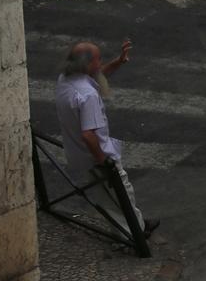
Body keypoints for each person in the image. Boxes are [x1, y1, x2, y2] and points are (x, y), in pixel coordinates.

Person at [54, 40, 158, 237]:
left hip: (78, 153)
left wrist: (118, 62)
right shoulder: (87, 95)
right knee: (120, 194)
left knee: (113, 196)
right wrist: (103, 162)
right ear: (86, 64)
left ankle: (137, 226)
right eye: (97, 59)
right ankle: (134, 236)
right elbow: (88, 134)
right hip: (96, 157)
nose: (100, 62)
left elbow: (97, 74)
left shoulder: (66, 79)